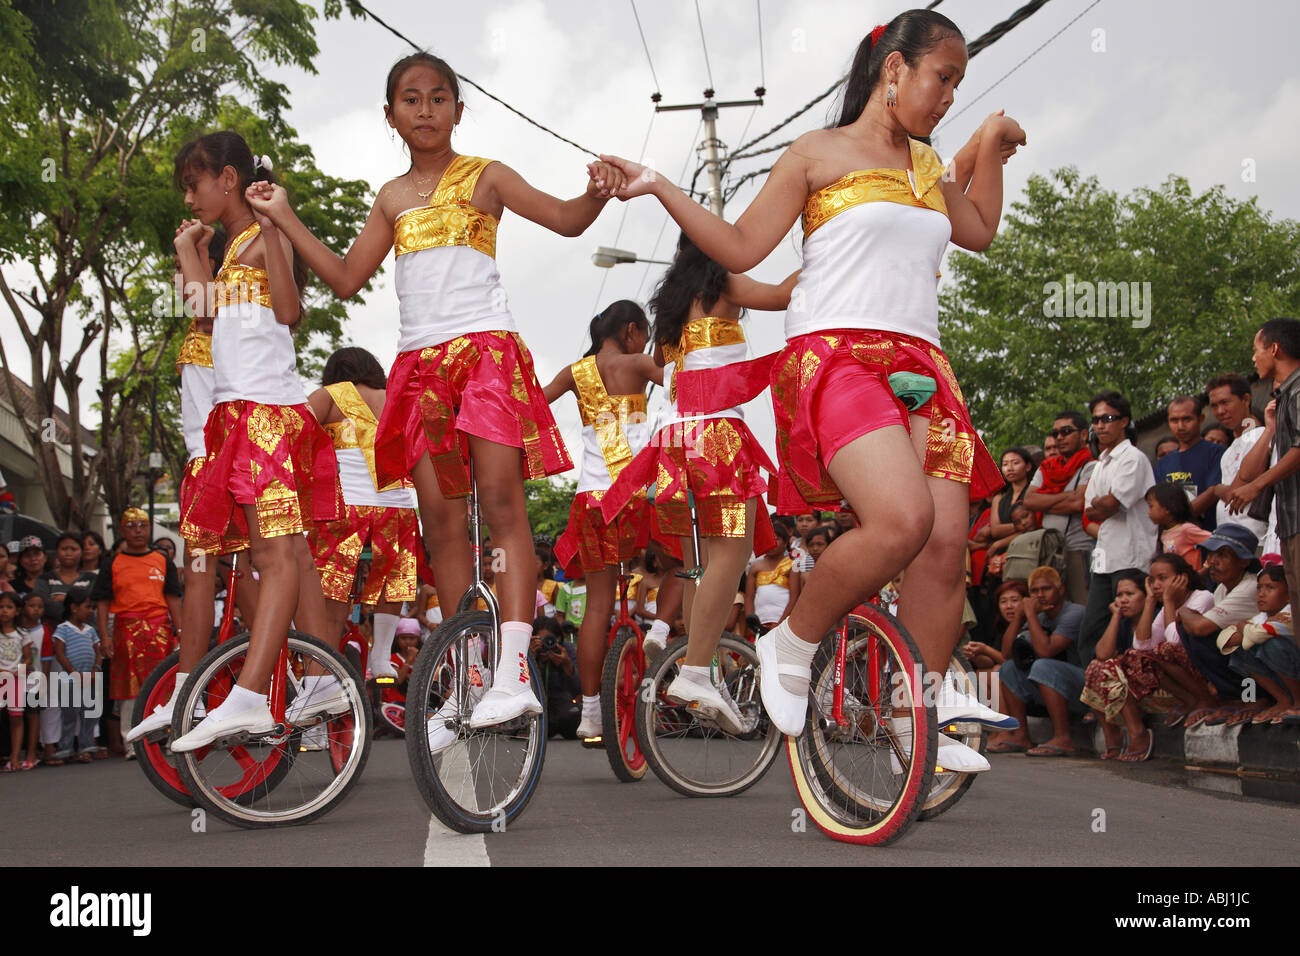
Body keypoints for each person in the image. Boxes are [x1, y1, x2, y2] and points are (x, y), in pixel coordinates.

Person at [602, 10, 1026, 767]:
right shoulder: (816, 153)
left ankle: (912, 710)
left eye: (959, 83)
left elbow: (981, 230)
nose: (950, 95)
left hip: (923, 363)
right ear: (894, 69)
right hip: (838, 359)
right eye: (943, 77)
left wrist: (989, 145)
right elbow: (738, 246)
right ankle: (789, 644)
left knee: (946, 544)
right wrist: (660, 186)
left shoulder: (929, 168)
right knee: (902, 520)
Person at [247, 54, 633, 731]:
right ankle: (468, 673)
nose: (425, 110)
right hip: (420, 371)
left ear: (458, 109)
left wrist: (599, 190)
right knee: (442, 524)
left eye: (438, 98)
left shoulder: (486, 176)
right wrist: (281, 215)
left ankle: (515, 670)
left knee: (503, 507)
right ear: (390, 113)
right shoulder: (391, 198)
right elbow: (343, 279)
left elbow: (568, 220)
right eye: (410, 98)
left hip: (484, 354)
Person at [164, 129, 342, 751]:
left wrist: (276, 228)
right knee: (281, 556)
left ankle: (252, 695)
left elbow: (291, 314)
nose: (190, 197)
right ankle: (314, 681)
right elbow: (202, 316)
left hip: (269, 411)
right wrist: (190, 249)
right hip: (238, 414)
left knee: (273, 559)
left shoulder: (261, 237)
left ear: (229, 179)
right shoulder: (229, 246)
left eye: (195, 184)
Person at [597, 235, 794, 733]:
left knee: (694, 565)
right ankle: (696, 671)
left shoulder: (672, 307)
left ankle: (691, 660)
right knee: (733, 551)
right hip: (717, 439)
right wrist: (829, 254)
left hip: (674, 443)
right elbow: (782, 295)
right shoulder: (722, 281)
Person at [125, 225, 265, 746]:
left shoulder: (221, 321)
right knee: (221, 567)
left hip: (221, 456)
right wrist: (195, 250)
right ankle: (243, 679)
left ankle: (199, 688)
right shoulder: (202, 323)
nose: (180, 285)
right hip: (205, 460)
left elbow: (206, 302)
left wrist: (191, 249)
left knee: (217, 566)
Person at [543, 302, 663, 739]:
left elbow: (536, 404)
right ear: (631, 330)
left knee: (595, 608)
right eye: (645, 334)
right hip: (631, 496)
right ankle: (665, 630)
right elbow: (684, 379)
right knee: (686, 560)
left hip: (589, 500)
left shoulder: (576, 372)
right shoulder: (637, 363)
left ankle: (590, 713)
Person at [305, 347, 420, 682]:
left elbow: (294, 430)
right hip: (398, 506)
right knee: (394, 581)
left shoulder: (329, 395)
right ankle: (382, 657)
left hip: (346, 508)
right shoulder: (395, 397)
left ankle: (323, 664)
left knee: (335, 587)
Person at [91, 508, 182, 755]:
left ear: (149, 528)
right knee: (129, 689)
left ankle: (168, 737)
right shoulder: (113, 563)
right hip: (126, 629)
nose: (138, 530)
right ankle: (131, 742)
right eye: (131, 526)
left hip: (159, 628)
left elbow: (173, 597)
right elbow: (102, 602)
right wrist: (104, 636)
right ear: (122, 530)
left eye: (142, 525)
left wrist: (181, 630)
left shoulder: (163, 560)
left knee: (164, 684)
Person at [1079, 390, 1157, 667]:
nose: (1100, 425)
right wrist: (1103, 503)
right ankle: (1094, 697)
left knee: (1128, 637)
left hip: (1131, 558)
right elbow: (1089, 510)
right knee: (1092, 630)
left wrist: (1105, 503)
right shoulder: (1101, 463)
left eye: (1107, 418)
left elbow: (1110, 505)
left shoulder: (1132, 458)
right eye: (1096, 420)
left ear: (1124, 421)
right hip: (1104, 559)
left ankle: (1133, 702)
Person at [1229, 318, 1300, 605]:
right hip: (1289, 523)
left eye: (1257, 349)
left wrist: (1256, 486)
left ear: (1274, 349)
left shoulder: (1298, 391)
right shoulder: (1284, 398)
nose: (1253, 357)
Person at [987, 567, 1087, 756]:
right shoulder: (1039, 615)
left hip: (1085, 687)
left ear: (1061, 590)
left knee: (1042, 666)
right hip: (1052, 686)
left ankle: (1063, 737)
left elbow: (1045, 651)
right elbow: (1007, 653)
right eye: (1034, 591)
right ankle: (1020, 735)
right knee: (1007, 668)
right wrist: (1019, 617)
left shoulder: (1074, 613)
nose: (1040, 595)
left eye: (1046, 589)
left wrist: (1031, 615)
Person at [1174, 523, 1264, 727]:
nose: (1212, 561)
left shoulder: (1248, 587)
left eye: (1222, 555)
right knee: (1191, 635)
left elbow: (1199, 627)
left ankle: (1250, 699)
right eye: (1212, 553)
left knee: (1206, 638)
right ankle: (1231, 698)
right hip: (1245, 663)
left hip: (1263, 666)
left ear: (1243, 561)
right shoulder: (1223, 588)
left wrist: (1183, 610)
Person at [1080, 571, 1156, 760]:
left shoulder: (1156, 616)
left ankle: (1139, 733)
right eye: (1119, 595)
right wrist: (1115, 616)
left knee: (1113, 666)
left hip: (1158, 687)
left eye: (1129, 594)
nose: (1123, 600)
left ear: (1145, 595)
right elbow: (1102, 654)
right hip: (1133, 690)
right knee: (1096, 667)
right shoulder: (1123, 624)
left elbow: (1144, 649)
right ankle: (1112, 735)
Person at [1024, 410, 1095, 604]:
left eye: (1066, 431)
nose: (1059, 438)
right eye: (1056, 433)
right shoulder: (1046, 467)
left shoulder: (1091, 465)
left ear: (1083, 435)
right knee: (1050, 610)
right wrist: (1067, 498)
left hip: (1077, 551)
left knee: (1080, 606)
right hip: (1048, 552)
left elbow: (1078, 503)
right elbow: (1029, 501)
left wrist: (1044, 501)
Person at [1221, 565, 1300, 723]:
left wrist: (1243, 627)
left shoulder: (1290, 614)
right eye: (1259, 588)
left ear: (1289, 595)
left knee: (1271, 645)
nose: (1261, 594)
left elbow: (1256, 634)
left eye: (1270, 587)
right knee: (1240, 649)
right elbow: (1224, 639)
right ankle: (1283, 700)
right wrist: (1251, 630)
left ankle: (1298, 701)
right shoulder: (1261, 617)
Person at [1205, 373, 1267, 542]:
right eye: (1214, 406)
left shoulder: (1262, 436)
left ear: (1246, 400)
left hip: (1256, 540)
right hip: (1229, 541)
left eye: (1225, 402)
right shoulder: (1229, 450)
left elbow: (1232, 493)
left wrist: (1218, 489)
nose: (1220, 411)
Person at [1154, 396, 1224, 530]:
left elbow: (1213, 492)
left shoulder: (1217, 453)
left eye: (1187, 419)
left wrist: (1177, 522)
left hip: (1209, 537)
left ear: (1201, 419)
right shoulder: (1163, 464)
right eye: (1174, 420)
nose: (1180, 426)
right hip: (1173, 543)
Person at [52, 588, 102, 763]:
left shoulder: (90, 630)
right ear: (74, 607)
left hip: (89, 679)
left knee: (89, 713)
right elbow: (60, 653)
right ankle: (65, 748)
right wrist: (73, 672)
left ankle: (85, 747)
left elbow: (98, 652)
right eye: (87, 607)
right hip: (70, 680)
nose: (91, 611)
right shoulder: (63, 629)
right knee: (69, 714)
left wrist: (95, 670)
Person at [530, 616, 581, 739]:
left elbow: (579, 690)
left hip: (561, 706)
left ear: (558, 638)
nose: (545, 644)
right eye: (540, 640)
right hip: (535, 706)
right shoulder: (527, 652)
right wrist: (531, 660)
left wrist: (566, 664)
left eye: (549, 639)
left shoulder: (566, 649)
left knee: (575, 714)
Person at [962, 578, 1026, 672]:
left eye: (1014, 600)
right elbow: (991, 662)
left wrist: (986, 649)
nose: (1009, 606)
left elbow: (1013, 662)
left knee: (997, 670)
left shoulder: (1029, 625)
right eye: (1003, 601)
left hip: (1028, 673)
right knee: (982, 672)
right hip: (1009, 672)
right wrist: (973, 654)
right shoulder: (1002, 626)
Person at [1146, 482, 1212, 571]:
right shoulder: (1165, 533)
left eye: (1151, 506)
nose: (1148, 512)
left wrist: (1205, 568)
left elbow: (1215, 542)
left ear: (1167, 509)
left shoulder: (1186, 530)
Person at [0, 591, 33, 771]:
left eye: (9, 607)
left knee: (16, 719)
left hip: (14, 680)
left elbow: (28, 658)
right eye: (1, 607)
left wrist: (17, 671)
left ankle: (14, 758)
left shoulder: (22, 634)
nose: (4, 611)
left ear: (17, 611)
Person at [746, 522, 801, 630]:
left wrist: (781, 623)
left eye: (776, 539)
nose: (770, 543)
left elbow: (794, 596)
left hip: (783, 622)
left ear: (785, 542)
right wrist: (751, 623)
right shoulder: (755, 566)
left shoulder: (793, 565)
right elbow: (749, 597)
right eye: (766, 539)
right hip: (759, 622)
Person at [33, 533, 97, 624]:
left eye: (73, 549)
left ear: (81, 552)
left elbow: (92, 607)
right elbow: (44, 606)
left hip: (86, 633)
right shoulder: (45, 579)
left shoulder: (91, 579)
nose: (68, 553)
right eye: (64, 549)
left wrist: (64, 598)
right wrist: (77, 604)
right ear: (57, 552)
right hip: (52, 632)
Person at [987, 447, 1036, 550]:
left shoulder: (1034, 492)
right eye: (1005, 464)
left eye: (1015, 463)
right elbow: (995, 531)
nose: (1009, 468)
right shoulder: (999, 498)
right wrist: (1022, 525)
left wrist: (998, 544)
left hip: (1029, 547)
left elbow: (1034, 526)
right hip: (1002, 552)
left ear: (1028, 466)